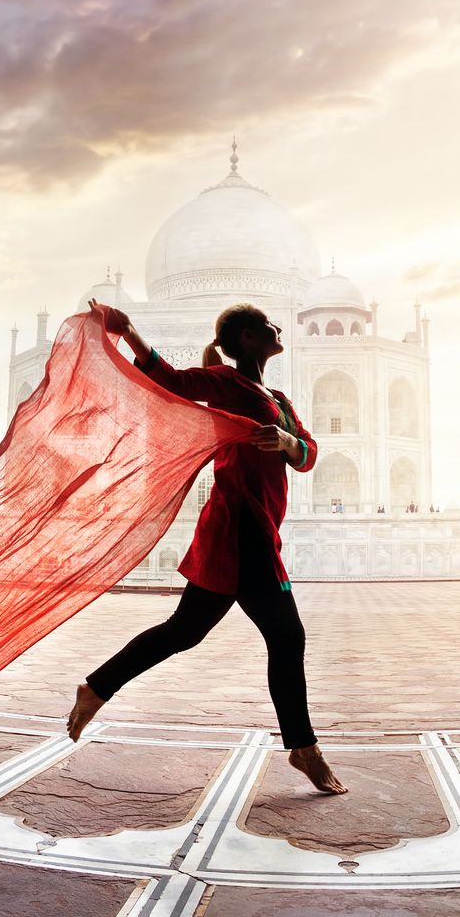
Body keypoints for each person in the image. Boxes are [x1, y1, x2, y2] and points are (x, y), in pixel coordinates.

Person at [67, 299, 347, 794]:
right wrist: (128, 330)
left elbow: (308, 454)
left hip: (257, 527)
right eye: (267, 325)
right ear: (245, 339)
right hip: (240, 529)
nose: (278, 327)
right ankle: (304, 748)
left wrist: (286, 442)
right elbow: (171, 382)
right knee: (287, 637)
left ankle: (96, 687)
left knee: (184, 631)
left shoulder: (277, 397)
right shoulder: (227, 385)